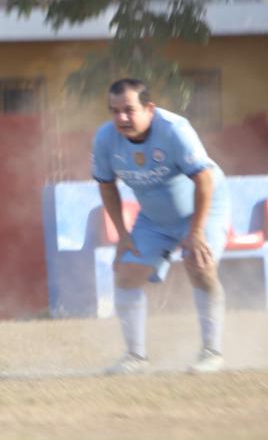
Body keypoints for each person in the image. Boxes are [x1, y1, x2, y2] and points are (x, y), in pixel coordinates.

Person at [93, 77, 229, 375]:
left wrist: (195, 233)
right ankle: (135, 358)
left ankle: (212, 352)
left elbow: (204, 180)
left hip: (203, 210)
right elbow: (106, 187)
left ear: (149, 109)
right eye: (114, 111)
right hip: (154, 218)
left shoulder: (175, 130)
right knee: (127, 272)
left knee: (200, 264)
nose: (122, 118)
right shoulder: (105, 139)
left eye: (129, 110)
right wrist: (123, 235)